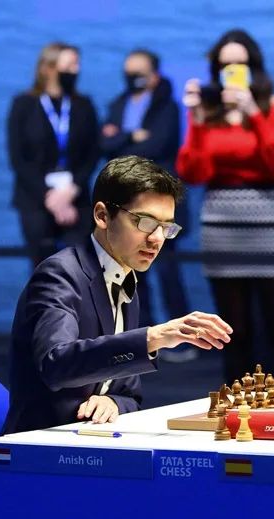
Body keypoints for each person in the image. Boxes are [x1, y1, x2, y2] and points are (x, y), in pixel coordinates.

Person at [2, 156, 232, 434]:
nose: (157, 238)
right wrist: (153, 337)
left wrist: (112, 401)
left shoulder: (124, 276)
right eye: (145, 222)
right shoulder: (61, 274)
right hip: (40, 443)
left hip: (91, 439)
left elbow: (129, 394)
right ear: (102, 215)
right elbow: (56, 364)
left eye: (166, 227)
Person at [176, 29, 274, 383]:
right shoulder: (209, 112)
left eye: (240, 63)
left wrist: (253, 112)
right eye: (225, 65)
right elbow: (193, 173)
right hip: (222, 224)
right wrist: (197, 120)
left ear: (255, 66)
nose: (232, 71)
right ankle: (239, 409)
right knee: (234, 334)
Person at [101, 49, 194, 364]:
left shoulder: (167, 106)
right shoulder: (118, 104)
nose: (132, 78)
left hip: (159, 204)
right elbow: (104, 144)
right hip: (127, 206)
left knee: (168, 272)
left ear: (154, 74)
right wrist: (132, 135)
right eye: (129, 72)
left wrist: (121, 140)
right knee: (132, 274)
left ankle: (183, 341)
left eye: (139, 72)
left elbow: (159, 144)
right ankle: (142, 339)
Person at [7, 42, 100, 269]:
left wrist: (71, 190)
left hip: (76, 197)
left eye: (77, 65)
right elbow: (18, 158)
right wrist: (50, 197)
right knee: (43, 269)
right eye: (70, 65)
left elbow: (92, 153)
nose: (76, 70)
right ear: (48, 68)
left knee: (80, 268)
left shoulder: (83, 105)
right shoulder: (23, 105)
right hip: (35, 200)